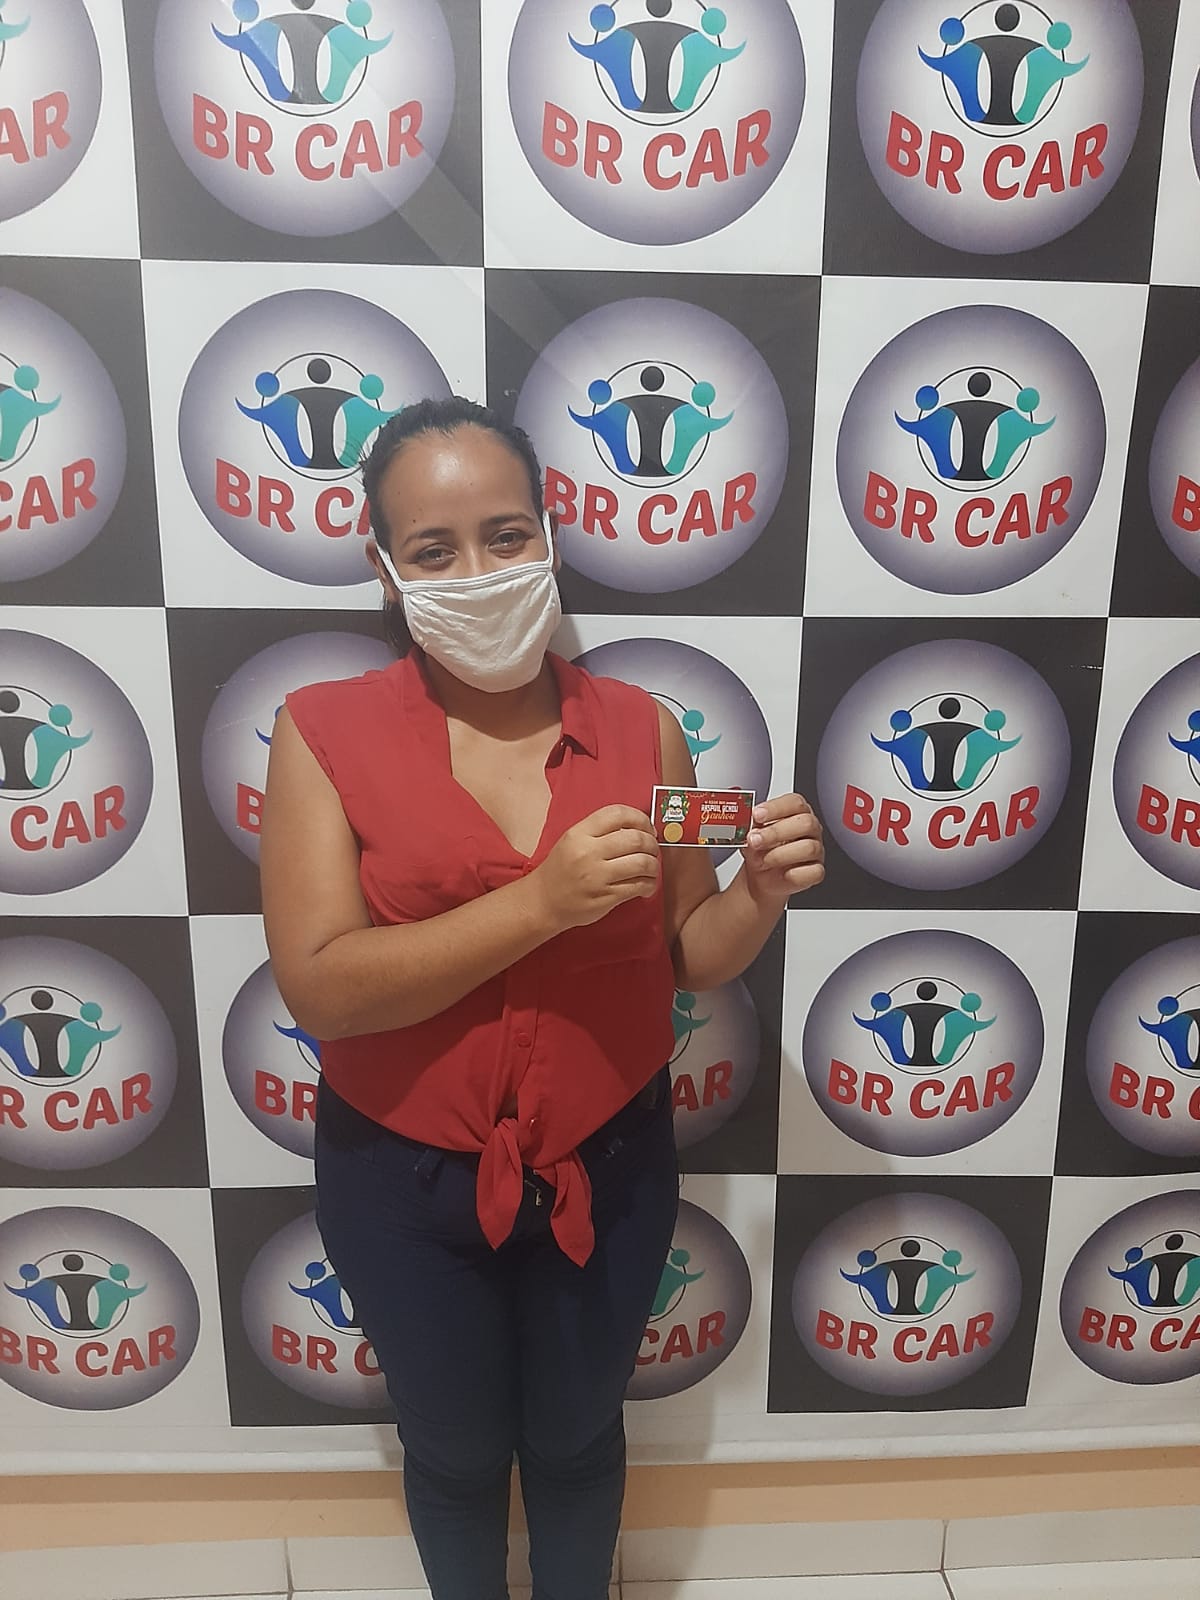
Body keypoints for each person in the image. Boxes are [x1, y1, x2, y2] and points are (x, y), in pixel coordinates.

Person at [260, 396, 824, 1600]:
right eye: (434, 549)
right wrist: (538, 903)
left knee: (576, 1442)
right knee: (456, 1456)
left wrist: (760, 893)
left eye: (506, 535)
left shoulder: (641, 730)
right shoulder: (321, 732)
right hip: (400, 1178)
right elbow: (323, 987)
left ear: (551, 536)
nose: (479, 572)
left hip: (607, 1163)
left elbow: (687, 953)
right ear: (382, 565)